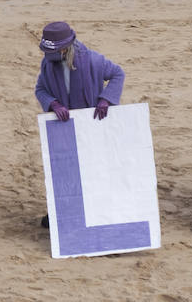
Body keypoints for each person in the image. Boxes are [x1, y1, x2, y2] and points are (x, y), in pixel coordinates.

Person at [34, 21, 125, 228]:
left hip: (91, 127)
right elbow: (40, 89)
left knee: (93, 168)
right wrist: (53, 103)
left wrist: (105, 99)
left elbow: (118, 74)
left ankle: (97, 212)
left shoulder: (93, 60)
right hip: (64, 129)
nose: (48, 56)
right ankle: (60, 211)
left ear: (65, 48)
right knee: (64, 171)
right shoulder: (47, 65)